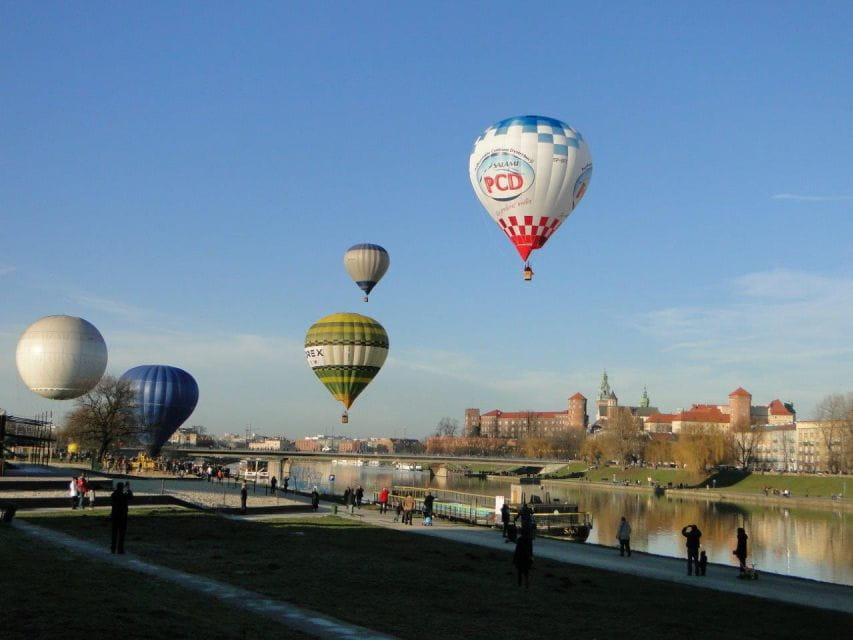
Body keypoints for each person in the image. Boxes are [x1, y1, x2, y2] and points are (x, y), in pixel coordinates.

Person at [110, 481, 133, 554]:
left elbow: (115, 495)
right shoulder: (123, 495)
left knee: (114, 533)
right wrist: (128, 488)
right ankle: (120, 549)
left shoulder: (114, 494)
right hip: (122, 516)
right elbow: (131, 497)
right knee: (121, 533)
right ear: (122, 487)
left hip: (115, 515)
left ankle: (113, 548)